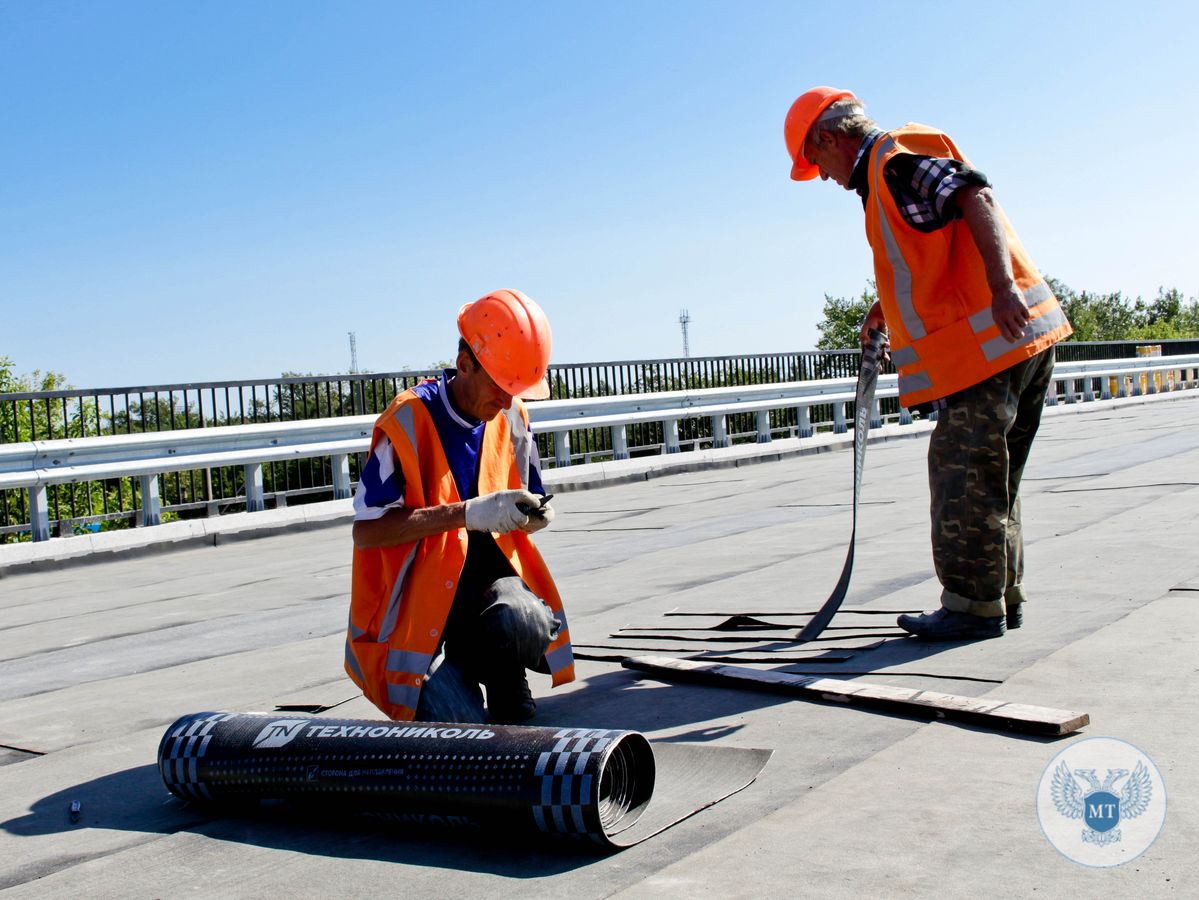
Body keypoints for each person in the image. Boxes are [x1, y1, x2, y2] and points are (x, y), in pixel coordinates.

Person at [783, 87, 1073, 641]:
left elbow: (975, 198)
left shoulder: (892, 163)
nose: (819, 174)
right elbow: (933, 249)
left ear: (828, 136)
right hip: (1020, 341)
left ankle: (970, 607)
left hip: (990, 346)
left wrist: (1002, 289)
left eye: (814, 159)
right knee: (994, 481)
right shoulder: (885, 176)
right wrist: (884, 308)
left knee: (962, 478)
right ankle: (997, 598)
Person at [345, 289, 574, 722]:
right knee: (462, 732)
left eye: (515, 390)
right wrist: (466, 513)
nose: (507, 401)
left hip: (481, 596)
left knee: (525, 620)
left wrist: (533, 516)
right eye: (500, 387)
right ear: (465, 364)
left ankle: (501, 673)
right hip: (419, 615)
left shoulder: (511, 415)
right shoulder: (409, 420)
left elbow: (528, 491)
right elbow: (367, 530)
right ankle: (455, 677)